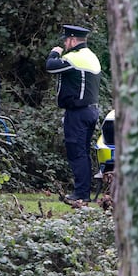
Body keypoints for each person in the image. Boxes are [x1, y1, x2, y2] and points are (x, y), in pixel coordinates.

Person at [45, 25, 102, 202]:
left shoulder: (74, 58)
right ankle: (83, 192)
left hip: (78, 113)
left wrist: (54, 52)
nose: (64, 43)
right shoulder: (91, 56)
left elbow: (50, 66)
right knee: (83, 152)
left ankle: (81, 194)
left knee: (76, 152)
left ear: (72, 40)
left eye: (65, 40)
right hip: (91, 111)